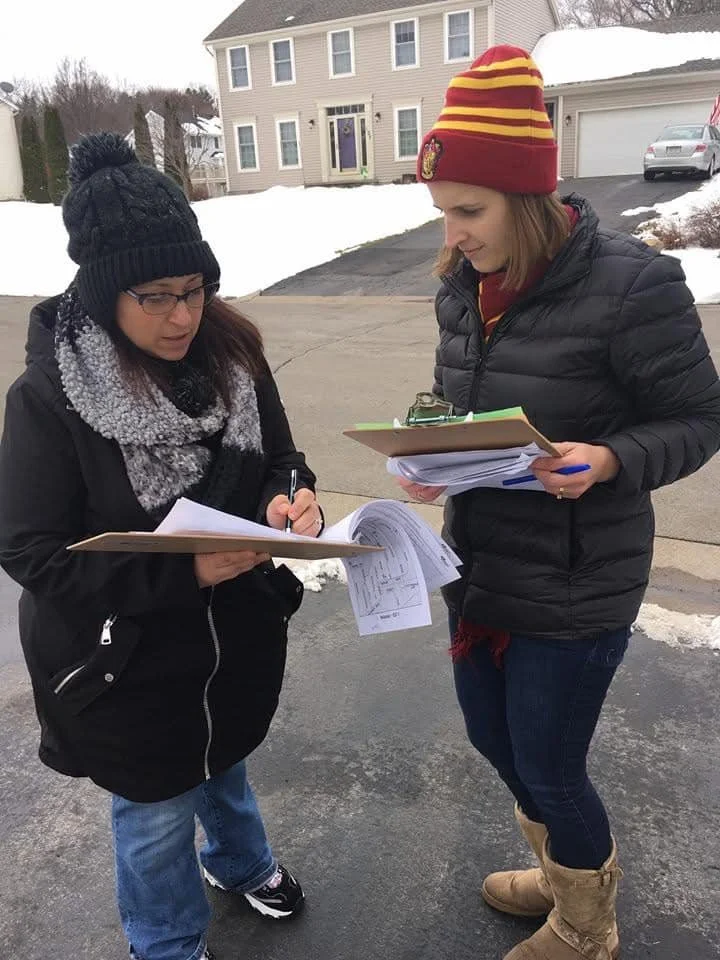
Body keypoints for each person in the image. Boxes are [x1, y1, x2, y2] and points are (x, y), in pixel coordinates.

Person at [401, 45, 720, 960]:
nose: (452, 234)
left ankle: (586, 924)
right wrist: (429, 454)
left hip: (580, 581)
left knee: (548, 760)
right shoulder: (462, 290)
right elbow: (458, 404)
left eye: (468, 211)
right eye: (441, 213)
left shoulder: (634, 286)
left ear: (527, 199)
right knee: (494, 741)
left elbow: (699, 418)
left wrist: (613, 458)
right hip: (485, 565)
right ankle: (560, 868)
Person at [0, 133, 325, 960]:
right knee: (151, 814)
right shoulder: (50, 398)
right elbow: (29, 549)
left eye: (195, 289)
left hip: (235, 635)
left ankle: (240, 862)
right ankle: (167, 944)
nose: (184, 315)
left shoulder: (235, 355)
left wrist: (292, 493)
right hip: (123, 658)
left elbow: (281, 453)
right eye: (156, 297)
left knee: (222, 759)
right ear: (106, 292)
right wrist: (178, 580)